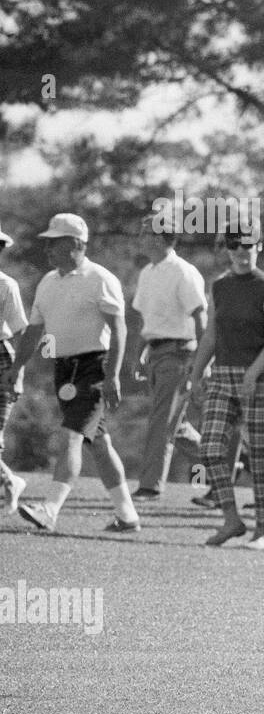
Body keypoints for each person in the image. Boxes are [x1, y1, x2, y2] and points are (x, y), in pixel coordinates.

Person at [2, 214, 140, 533]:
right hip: (64, 370)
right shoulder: (48, 282)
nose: (48, 248)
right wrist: (18, 367)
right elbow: (34, 332)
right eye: (47, 242)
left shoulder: (100, 278)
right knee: (99, 443)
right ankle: (128, 515)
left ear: (77, 244)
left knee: (72, 435)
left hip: (96, 367)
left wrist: (113, 376)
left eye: (55, 242)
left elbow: (119, 330)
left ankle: (50, 509)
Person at [188, 220, 264, 548]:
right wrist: (197, 373)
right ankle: (231, 520)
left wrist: (253, 374)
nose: (242, 252)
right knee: (211, 448)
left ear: (259, 247)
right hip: (223, 376)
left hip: (258, 378)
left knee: (258, 453)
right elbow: (211, 334)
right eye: (234, 246)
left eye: (248, 245)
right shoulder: (219, 285)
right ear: (226, 249)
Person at [131, 215, 208, 499]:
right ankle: (223, 464)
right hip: (155, 353)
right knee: (177, 425)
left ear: (161, 237)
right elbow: (146, 321)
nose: (140, 235)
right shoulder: (147, 272)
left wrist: (199, 364)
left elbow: (201, 319)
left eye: (145, 231)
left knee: (161, 420)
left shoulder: (183, 272)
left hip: (179, 354)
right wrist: (137, 356)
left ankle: (150, 486)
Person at [0, 223, 28, 512]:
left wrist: (18, 374)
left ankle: (9, 481)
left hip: (2, 358)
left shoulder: (7, 285)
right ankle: (10, 480)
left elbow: (21, 331)